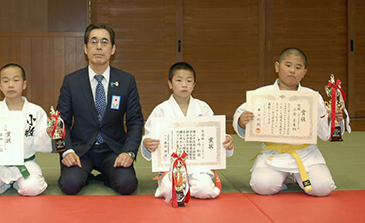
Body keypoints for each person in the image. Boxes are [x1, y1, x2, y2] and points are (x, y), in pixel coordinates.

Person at [233, 47, 344, 197]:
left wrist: (333, 120)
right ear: (277, 67)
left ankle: (299, 179)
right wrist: (241, 121)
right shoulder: (261, 94)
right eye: (288, 65)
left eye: (298, 67)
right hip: (273, 154)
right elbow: (240, 114)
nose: (292, 70)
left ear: (304, 72)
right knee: (262, 186)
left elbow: (324, 131)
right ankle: (285, 180)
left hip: (306, 154)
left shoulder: (312, 97)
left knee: (321, 188)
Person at [56, 23, 144, 195]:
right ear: (85, 48)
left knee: (127, 185)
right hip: (81, 150)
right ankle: (85, 175)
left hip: (113, 150)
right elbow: (61, 122)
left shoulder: (126, 81)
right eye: (93, 41)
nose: (98, 47)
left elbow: (135, 121)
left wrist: (129, 152)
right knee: (69, 185)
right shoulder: (71, 81)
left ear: (112, 49)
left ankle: (105, 176)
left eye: (104, 42)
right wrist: (66, 150)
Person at [142, 62, 234, 201]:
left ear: (194, 85)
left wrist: (226, 140)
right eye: (179, 80)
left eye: (189, 81)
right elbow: (149, 135)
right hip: (170, 166)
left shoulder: (203, 108)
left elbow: (215, 134)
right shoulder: (161, 110)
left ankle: (186, 188)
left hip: (198, 166)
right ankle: (181, 187)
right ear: (170, 84)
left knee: (205, 190)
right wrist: (147, 143)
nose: (184, 84)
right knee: (168, 190)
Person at [0, 63, 57, 197]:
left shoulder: (36, 111)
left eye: (16, 80)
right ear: (0, 86)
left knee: (33, 188)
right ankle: (4, 183)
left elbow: (40, 145)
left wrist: (47, 133)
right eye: (5, 81)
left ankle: (18, 183)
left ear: (24, 84)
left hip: (25, 164)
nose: (10, 85)